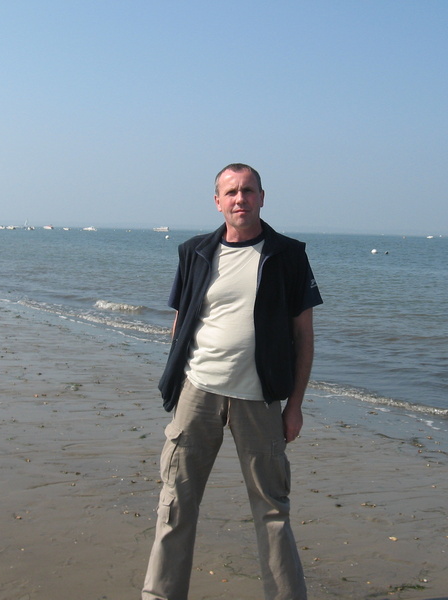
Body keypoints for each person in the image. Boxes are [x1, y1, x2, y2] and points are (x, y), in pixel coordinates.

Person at [142, 163, 323, 600]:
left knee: (272, 510)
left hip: (260, 399)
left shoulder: (288, 255)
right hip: (197, 392)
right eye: (231, 192)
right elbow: (182, 321)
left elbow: (303, 335)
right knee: (175, 504)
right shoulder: (195, 252)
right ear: (217, 201)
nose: (240, 199)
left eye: (248, 190)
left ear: (262, 197)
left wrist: (295, 405)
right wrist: (177, 382)